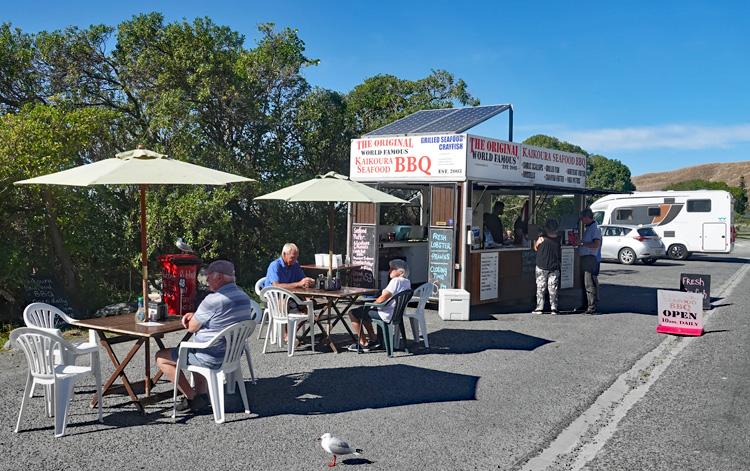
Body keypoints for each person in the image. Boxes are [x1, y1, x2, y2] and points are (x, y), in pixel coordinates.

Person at [155, 260, 252, 412]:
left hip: (211, 356)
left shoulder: (213, 299)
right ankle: (202, 395)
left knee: (161, 357)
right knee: (193, 348)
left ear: (219, 277)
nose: (206, 280)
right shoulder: (244, 297)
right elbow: (221, 318)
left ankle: (191, 396)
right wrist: (197, 315)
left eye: (208, 276)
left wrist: (192, 319)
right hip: (231, 354)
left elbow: (192, 327)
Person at [347, 259, 411, 352]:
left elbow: (384, 297)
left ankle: (363, 343)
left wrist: (373, 305)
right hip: (396, 313)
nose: (389, 271)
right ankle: (373, 339)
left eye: (392, 269)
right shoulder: (406, 282)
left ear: (400, 272)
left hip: (386, 313)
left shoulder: (395, 281)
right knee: (364, 311)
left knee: (353, 313)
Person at [263, 242, 315, 342]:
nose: (295, 260)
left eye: (296, 257)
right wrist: (299, 284)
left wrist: (309, 282)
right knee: (286, 304)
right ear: (284, 254)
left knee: (309, 305)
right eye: (292, 257)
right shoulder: (275, 265)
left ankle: (293, 332)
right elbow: (276, 286)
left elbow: (302, 280)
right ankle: (286, 335)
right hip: (273, 297)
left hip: (290, 296)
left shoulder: (295, 265)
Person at [532, 219, 562, 314]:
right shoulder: (559, 239)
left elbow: (535, 248)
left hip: (541, 265)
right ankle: (554, 308)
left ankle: (539, 308)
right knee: (553, 288)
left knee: (540, 288)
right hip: (554, 267)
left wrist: (536, 240)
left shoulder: (541, 238)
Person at [579, 208, 602, 314]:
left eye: (582, 218)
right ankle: (586, 304)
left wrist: (583, 244)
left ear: (587, 217)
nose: (581, 221)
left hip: (590, 257)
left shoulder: (595, 229)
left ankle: (591, 307)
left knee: (589, 282)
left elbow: (596, 244)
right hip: (586, 257)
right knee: (586, 282)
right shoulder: (589, 227)